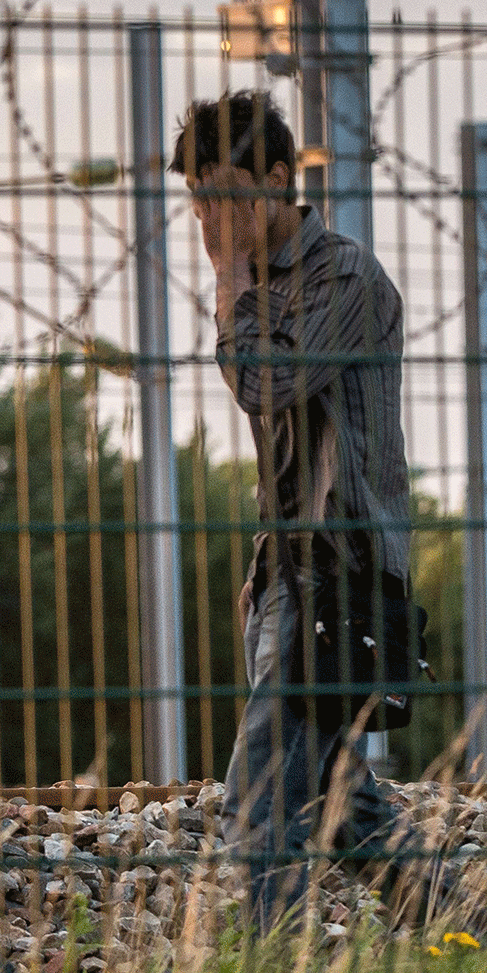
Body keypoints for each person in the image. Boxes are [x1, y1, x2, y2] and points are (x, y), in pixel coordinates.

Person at [171, 92, 414, 928]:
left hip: (342, 579)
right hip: (286, 580)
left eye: (229, 189)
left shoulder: (341, 274)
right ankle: (475, 938)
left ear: (279, 179)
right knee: (339, 804)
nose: (213, 215)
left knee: (261, 794)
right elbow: (286, 451)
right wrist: (260, 570)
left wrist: (229, 286)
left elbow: (265, 383)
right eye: (200, 195)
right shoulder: (265, 288)